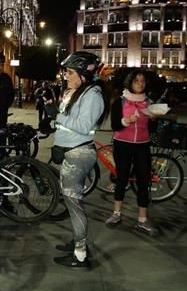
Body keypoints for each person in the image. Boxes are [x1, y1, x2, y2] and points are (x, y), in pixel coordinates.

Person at [51, 52, 107, 269]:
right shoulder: (78, 92)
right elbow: (68, 122)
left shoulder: (93, 95)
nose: (66, 75)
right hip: (70, 151)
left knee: (75, 205)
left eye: (70, 72)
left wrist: (56, 115)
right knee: (72, 203)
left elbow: (84, 126)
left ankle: (80, 254)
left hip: (79, 154)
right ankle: (77, 241)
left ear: (84, 75)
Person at [106, 70, 164, 236]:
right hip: (122, 144)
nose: (140, 83)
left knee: (144, 181)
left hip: (142, 145)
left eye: (143, 81)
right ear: (130, 82)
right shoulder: (120, 101)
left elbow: (152, 129)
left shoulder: (149, 102)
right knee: (122, 178)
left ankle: (143, 219)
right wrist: (127, 121)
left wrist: (154, 118)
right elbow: (115, 125)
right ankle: (116, 214)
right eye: (137, 80)